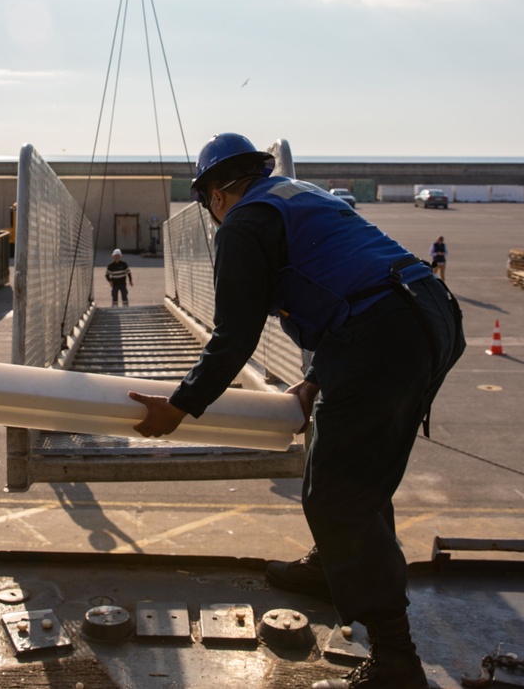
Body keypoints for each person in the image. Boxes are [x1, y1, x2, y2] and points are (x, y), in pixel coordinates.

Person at [128, 133, 465, 689]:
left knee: (338, 491)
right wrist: (314, 378)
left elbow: (234, 337)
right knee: (358, 468)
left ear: (215, 193)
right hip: (429, 314)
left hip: (382, 333)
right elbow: (349, 279)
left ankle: (396, 659)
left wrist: (180, 407)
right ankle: (329, 566)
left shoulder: (243, 223)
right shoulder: (299, 194)